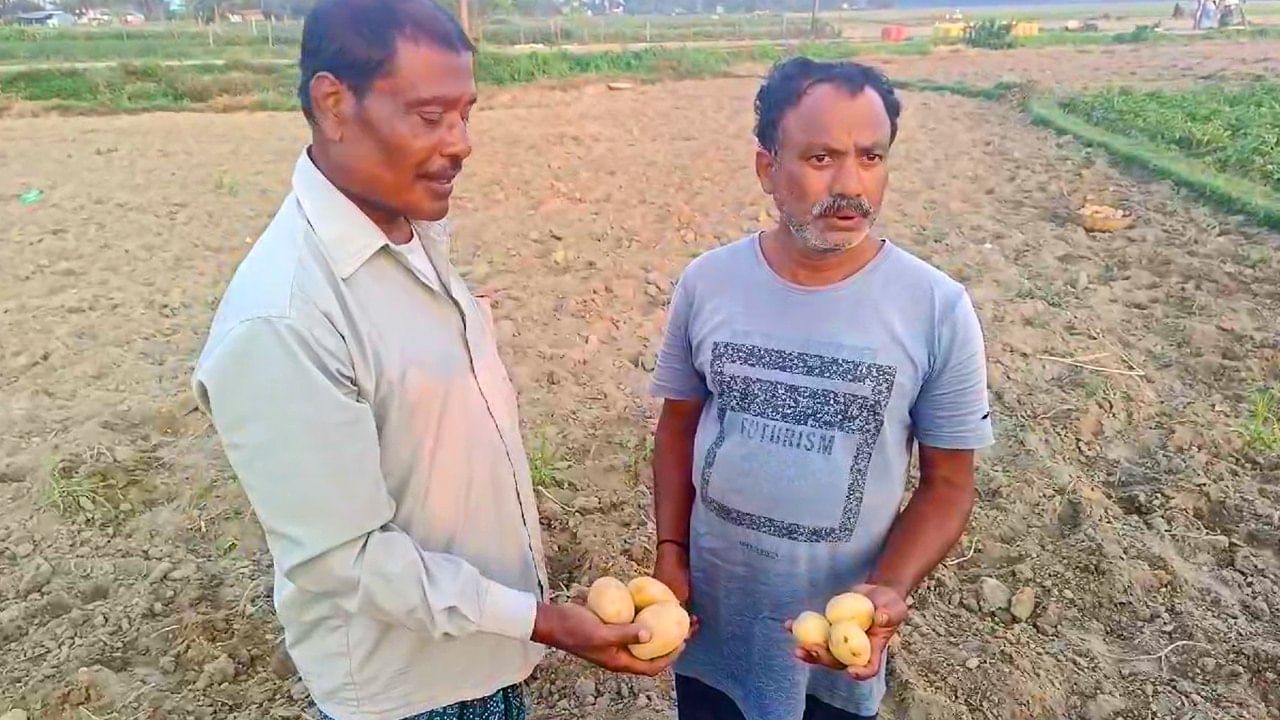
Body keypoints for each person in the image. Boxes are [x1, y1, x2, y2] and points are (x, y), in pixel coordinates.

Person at [191, 1, 681, 718]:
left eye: (466, 114)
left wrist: (525, 614)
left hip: (484, 653)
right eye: (430, 117)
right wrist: (542, 621)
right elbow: (345, 559)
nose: (461, 143)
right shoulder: (284, 320)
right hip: (412, 695)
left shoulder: (408, 237)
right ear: (334, 104)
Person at [648, 57, 994, 720]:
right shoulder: (708, 283)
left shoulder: (935, 307)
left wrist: (886, 591)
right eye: (820, 157)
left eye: (871, 157)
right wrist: (670, 553)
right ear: (766, 168)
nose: (849, 185)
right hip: (711, 624)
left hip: (837, 646)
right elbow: (677, 428)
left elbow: (948, 484)